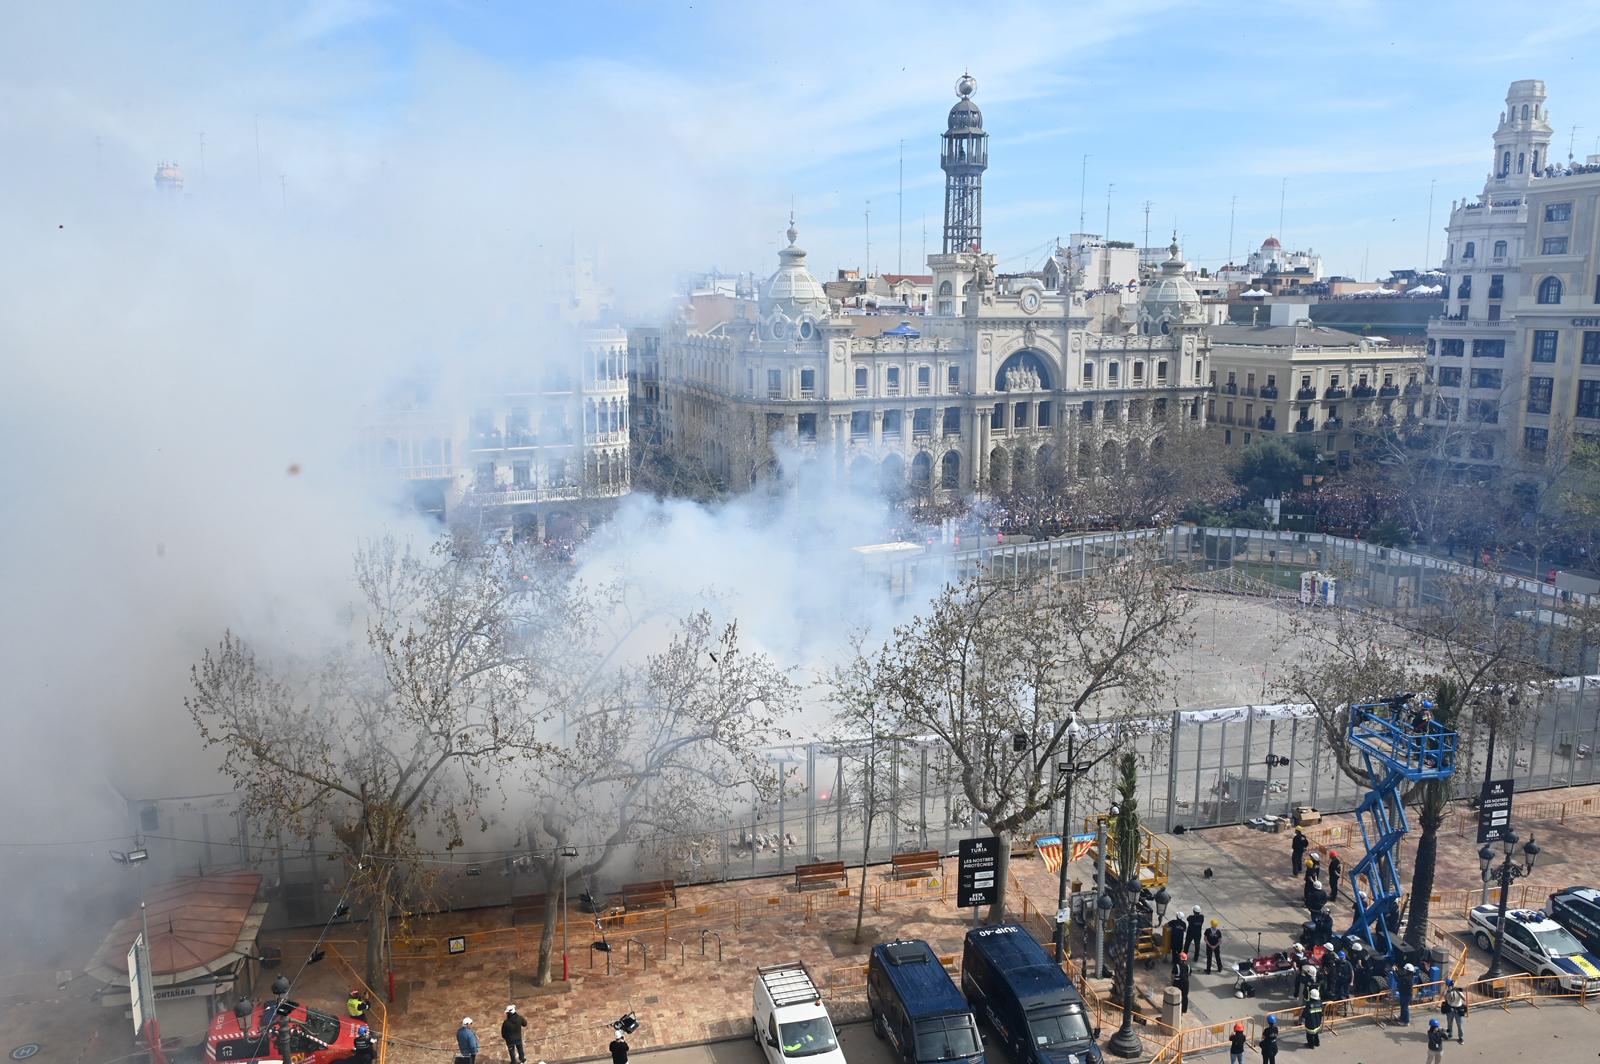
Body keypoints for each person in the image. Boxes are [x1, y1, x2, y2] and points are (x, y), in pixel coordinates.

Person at [1442, 979, 1467, 1044]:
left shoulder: (1458, 990)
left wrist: (1457, 992)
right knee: (1449, 1023)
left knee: (1460, 1025)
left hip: (1458, 1010)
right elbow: (1445, 998)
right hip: (1450, 1009)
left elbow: (1464, 999)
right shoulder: (1447, 991)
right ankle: (1450, 1034)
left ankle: (1461, 1038)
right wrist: (1448, 991)